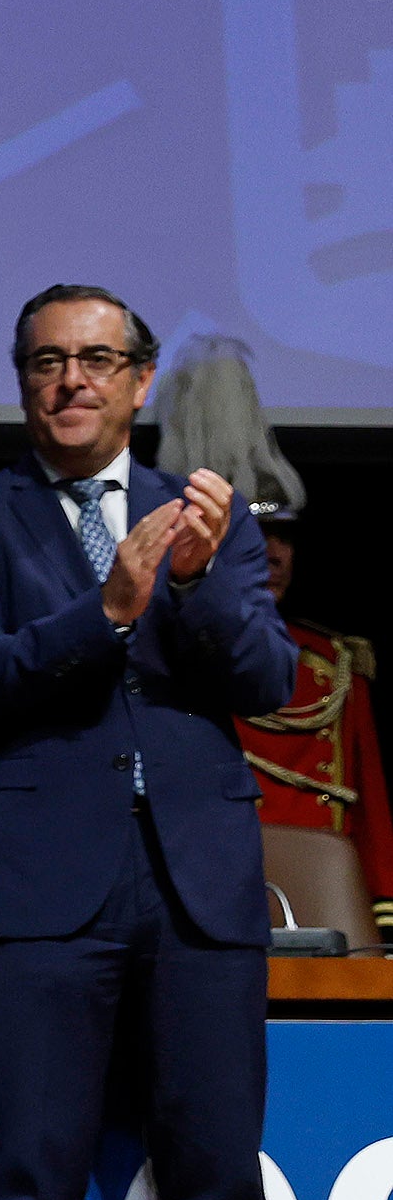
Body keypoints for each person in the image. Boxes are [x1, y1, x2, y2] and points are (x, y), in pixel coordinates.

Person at [0, 287, 367, 1200]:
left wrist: (202, 581)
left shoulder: (205, 514)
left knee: (216, 1177)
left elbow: (269, 680)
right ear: (22, 380)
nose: (73, 380)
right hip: (36, 887)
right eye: (49, 361)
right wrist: (108, 607)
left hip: (196, 886)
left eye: (98, 360)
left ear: (140, 379)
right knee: (29, 1181)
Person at [166, 340, 393, 943]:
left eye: (283, 536)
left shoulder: (335, 664)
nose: (270, 553)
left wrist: (385, 908)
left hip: (324, 909)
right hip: (202, 890)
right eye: (253, 534)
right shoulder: (171, 648)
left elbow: (371, 819)